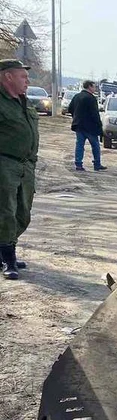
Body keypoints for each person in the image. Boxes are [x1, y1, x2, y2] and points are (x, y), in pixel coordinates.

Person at [0, 59, 39, 281]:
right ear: (8, 77)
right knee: (5, 211)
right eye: (23, 76)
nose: (27, 81)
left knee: (23, 213)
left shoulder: (23, 101)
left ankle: (4, 249)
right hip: (5, 163)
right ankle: (8, 259)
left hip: (26, 165)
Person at [67, 80, 105, 172]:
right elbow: (95, 114)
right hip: (90, 127)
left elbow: (70, 108)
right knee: (95, 146)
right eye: (94, 86)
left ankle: (78, 164)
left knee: (79, 145)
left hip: (79, 125)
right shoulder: (91, 98)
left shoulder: (77, 96)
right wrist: (99, 126)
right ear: (89, 87)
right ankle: (97, 164)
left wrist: (76, 117)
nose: (95, 88)